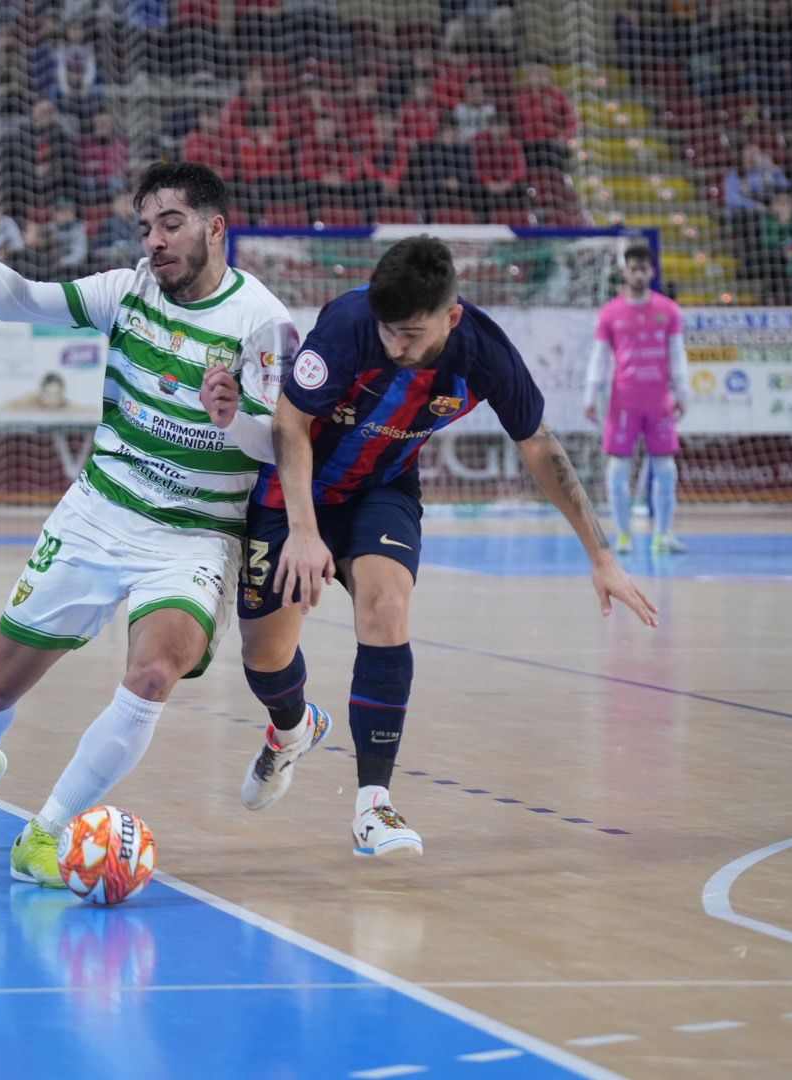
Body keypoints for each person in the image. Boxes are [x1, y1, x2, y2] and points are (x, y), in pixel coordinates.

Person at [209, 235, 658, 858]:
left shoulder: (485, 351)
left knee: (388, 608)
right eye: (388, 331)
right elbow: (290, 423)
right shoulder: (347, 324)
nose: (396, 346)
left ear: (451, 316)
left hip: (382, 490)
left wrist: (601, 555)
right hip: (296, 492)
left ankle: (373, 806)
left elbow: (539, 446)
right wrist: (306, 534)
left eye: (411, 335)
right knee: (263, 654)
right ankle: (292, 729)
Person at [0, 162, 297, 887]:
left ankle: (45, 834)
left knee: (154, 673)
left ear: (217, 228)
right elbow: (16, 302)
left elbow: (282, 445)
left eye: (171, 224)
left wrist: (236, 416)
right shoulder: (128, 290)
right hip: (100, 512)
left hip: (197, 533)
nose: (154, 241)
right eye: (147, 226)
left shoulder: (262, 323)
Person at [585, 241, 690, 554]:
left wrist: (682, 393)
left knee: (667, 470)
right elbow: (599, 358)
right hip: (624, 402)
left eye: (644, 269)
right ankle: (624, 536)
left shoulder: (668, 310)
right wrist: (591, 395)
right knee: (617, 471)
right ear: (624, 272)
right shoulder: (610, 313)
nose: (639, 274)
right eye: (634, 269)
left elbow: (677, 353)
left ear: (651, 271)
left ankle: (663, 535)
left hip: (659, 401)